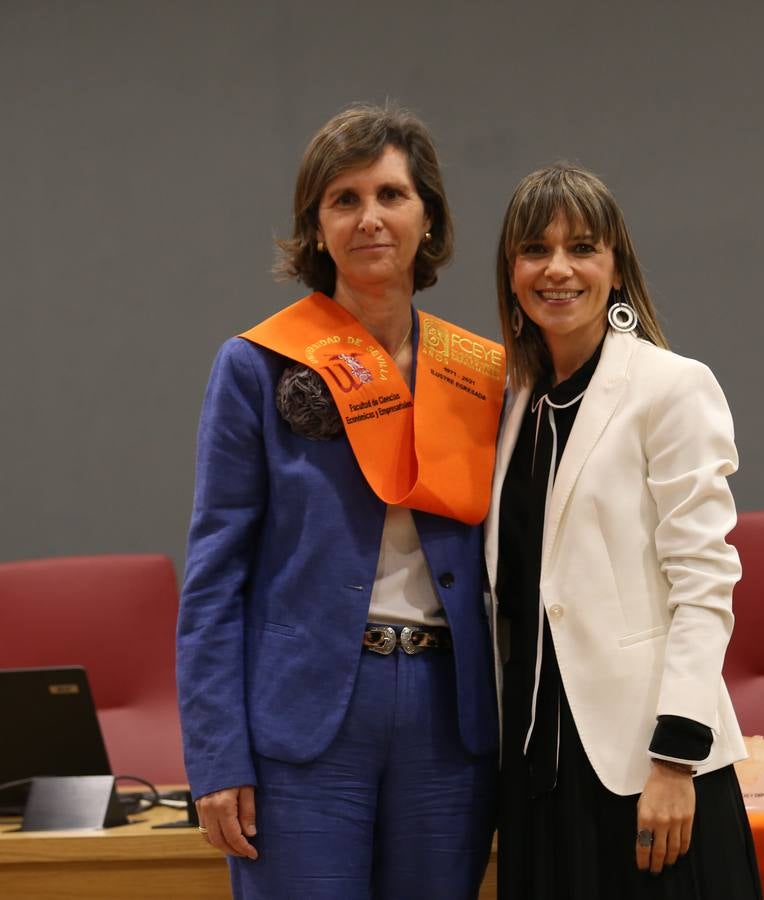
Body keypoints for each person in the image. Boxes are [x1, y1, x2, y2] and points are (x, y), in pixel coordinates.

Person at [178, 104, 505, 900]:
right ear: (315, 226)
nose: (370, 219)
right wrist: (217, 758)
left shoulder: (481, 372)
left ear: (427, 218)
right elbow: (213, 577)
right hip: (306, 720)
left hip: (447, 721)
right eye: (344, 199)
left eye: (391, 195)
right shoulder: (256, 365)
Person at [488, 163, 763, 899]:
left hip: (646, 764)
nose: (557, 269)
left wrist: (675, 761)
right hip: (532, 768)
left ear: (616, 268)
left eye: (582, 247)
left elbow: (705, 585)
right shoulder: (511, 406)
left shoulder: (671, 387)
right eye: (534, 250)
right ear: (510, 273)